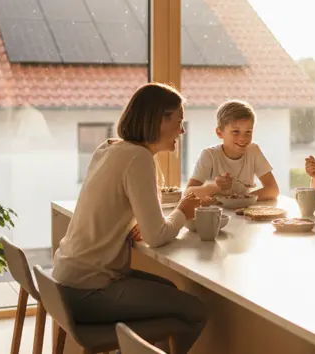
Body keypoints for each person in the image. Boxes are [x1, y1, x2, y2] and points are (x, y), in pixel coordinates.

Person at [53, 83, 207, 353]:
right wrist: (184, 210)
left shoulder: (108, 148)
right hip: (89, 291)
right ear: (159, 119)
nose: (182, 131)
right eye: (179, 121)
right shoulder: (139, 158)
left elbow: (112, 205)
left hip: (66, 281)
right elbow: (156, 237)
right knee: (195, 311)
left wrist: (129, 225)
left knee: (170, 289)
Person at [185, 100, 280, 200]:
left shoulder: (253, 151)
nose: (243, 138)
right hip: (215, 209)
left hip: (243, 209)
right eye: (235, 131)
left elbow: (273, 189)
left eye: (248, 132)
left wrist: (243, 198)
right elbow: (187, 193)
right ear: (220, 133)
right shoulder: (209, 155)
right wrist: (215, 187)